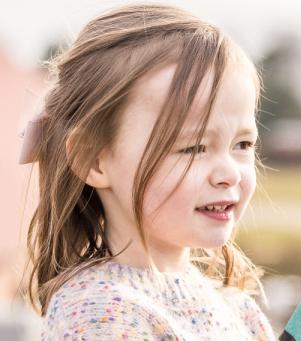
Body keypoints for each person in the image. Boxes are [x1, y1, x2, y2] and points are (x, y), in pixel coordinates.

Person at [20, 4, 275, 340]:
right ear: (93, 160)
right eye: (194, 148)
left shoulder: (239, 309)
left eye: (242, 144)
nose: (229, 173)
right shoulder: (98, 314)